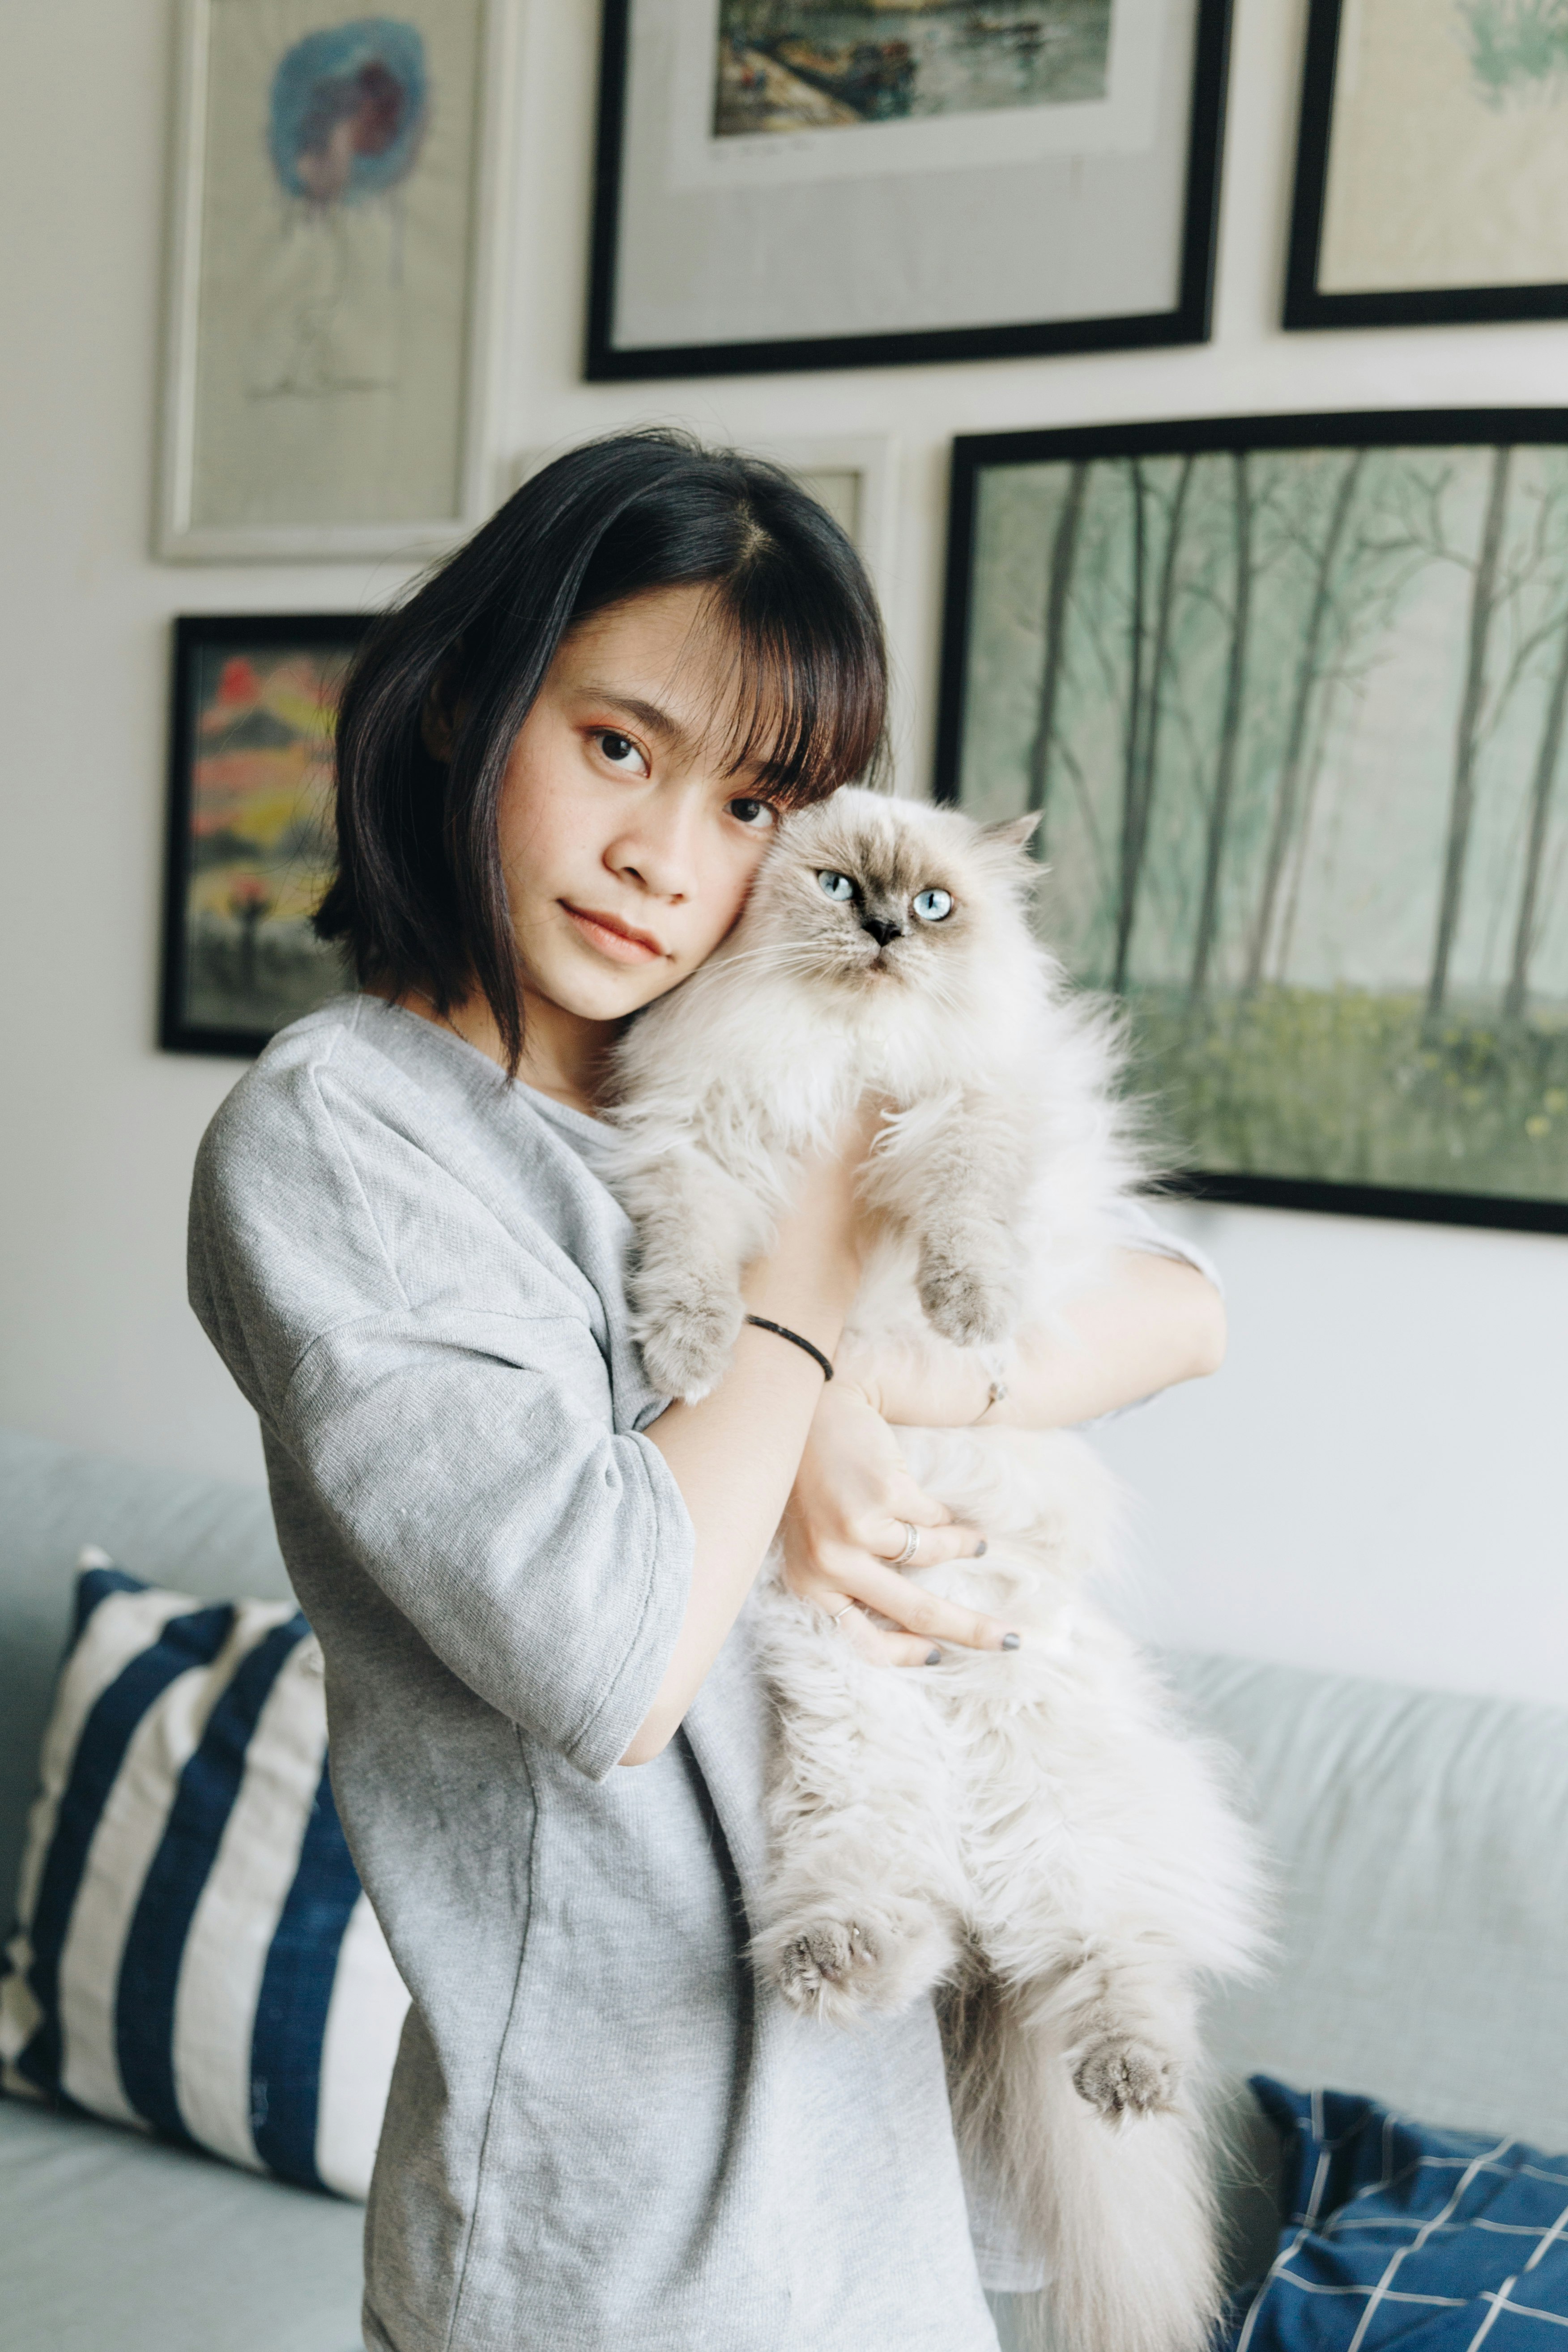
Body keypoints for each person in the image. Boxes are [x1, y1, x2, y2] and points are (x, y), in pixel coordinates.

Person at [188, 430, 1226, 2352]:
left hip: (902, 2224)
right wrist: (823, 1285)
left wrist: (854, 1406)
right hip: (614, 2257)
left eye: (757, 803)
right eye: (615, 747)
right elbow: (613, 1655)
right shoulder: (346, 1144)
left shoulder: (725, 1078)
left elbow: (1179, 1308)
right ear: (462, 706)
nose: (669, 859)